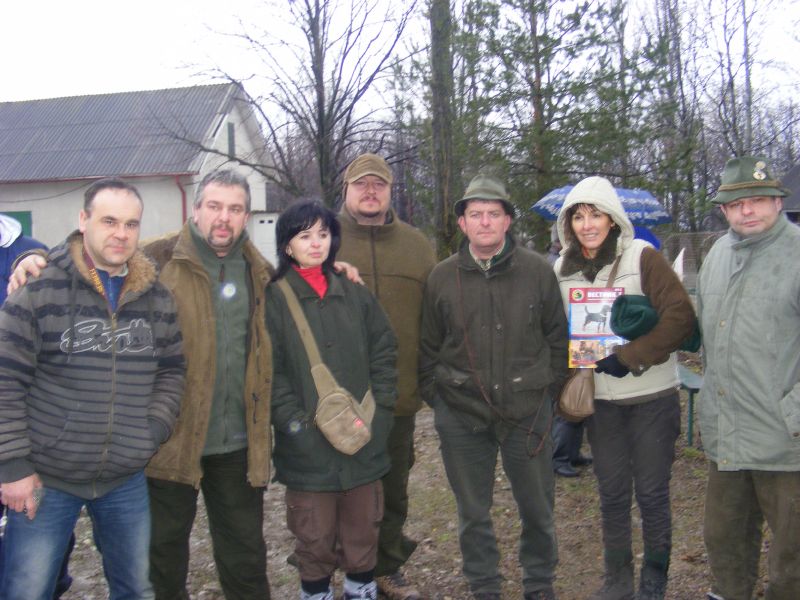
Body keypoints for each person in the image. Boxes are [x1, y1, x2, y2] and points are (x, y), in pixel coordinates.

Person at [0, 178, 185, 600]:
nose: (121, 234)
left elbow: (172, 370)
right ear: (83, 220)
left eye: (131, 224)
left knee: (135, 588)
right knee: (27, 590)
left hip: (124, 478)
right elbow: (5, 379)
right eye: (109, 221)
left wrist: (150, 431)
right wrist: (13, 467)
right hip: (47, 477)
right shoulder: (38, 289)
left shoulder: (156, 298)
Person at [419, 174, 569, 600]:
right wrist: (442, 401)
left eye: (493, 213)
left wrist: (547, 394)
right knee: (472, 511)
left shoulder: (538, 272)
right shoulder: (441, 277)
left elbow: (558, 341)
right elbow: (427, 348)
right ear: (462, 223)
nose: (484, 222)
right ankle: (484, 585)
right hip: (462, 414)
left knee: (537, 508)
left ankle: (538, 582)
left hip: (527, 412)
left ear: (507, 221)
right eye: (475, 214)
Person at [553, 176, 695, 600]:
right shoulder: (561, 270)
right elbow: (553, 329)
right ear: (568, 223)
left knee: (651, 493)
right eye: (578, 216)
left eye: (595, 214)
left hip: (652, 398)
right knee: (612, 493)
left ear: (612, 219)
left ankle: (654, 579)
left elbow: (680, 317)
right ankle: (617, 579)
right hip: (601, 404)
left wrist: (631, 356)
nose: (587, 225)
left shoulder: (643, 257)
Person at [265, 201, 397, 600]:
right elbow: (271, 372)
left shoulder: (354, 292)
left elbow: (384, 350)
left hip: (363, 440)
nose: (316, 243)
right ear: (287, 245)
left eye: (323, 234)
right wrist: (297, 428)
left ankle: (361, 591)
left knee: (363, 532)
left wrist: (381, 414)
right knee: (314, 538)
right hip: (307, 452)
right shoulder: (273, 299)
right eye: (304, 235)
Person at [696, 156, 800, 600]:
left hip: (786, 441)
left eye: (758, 199)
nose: (747, 210)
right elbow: (706, 334)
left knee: (793, 557)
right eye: (736, 204)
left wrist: (794, 411)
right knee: (724, 541)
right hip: (729, 437)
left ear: (777, 201)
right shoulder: (717, 255)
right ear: (724, 210)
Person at [336, 153, 437, 600]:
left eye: (379, 184)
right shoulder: (322, 239)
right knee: (338, 488)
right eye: (361, 184)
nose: (370, 191)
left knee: (393, 487)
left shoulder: (417, 246)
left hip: (398, 394)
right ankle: (334, 565)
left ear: (391, 191)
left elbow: (435, 319)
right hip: (336, 398)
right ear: (346, 190)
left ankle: (387, 566)